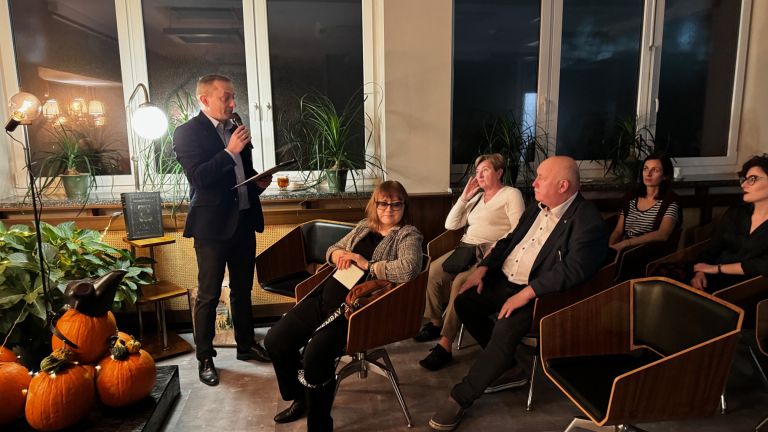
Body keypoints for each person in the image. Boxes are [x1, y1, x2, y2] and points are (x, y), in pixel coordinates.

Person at [429, 156, 608, 431]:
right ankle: (509, 366)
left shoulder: (587, 221)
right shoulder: (536, 208)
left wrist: (527, 293)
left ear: (563, 186)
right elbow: (508, 240)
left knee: (504, 326)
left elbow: (574, 270)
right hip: (506, 280)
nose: (534, 183)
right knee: (465, 303)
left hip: (541, 297)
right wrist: (483, 268)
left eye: (541, 178)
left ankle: (460, 397)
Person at [265, 180, 423, 432]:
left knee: (315, 355)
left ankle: (319, 424)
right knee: (276, 340)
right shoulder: (364, 226)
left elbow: (410, 269)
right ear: (375, 204)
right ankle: (301, 397)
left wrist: (367, 264)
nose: (389, 208)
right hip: (326, 297)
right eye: (383, 203)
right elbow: (333, 249)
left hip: (357, 312)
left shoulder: (407, 234)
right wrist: (337, 255)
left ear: (404, 206)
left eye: (396, 204)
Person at [174, 74, 272, 387]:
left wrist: (259, 182)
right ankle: (205, 357)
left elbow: (241, 175)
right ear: (204, 99)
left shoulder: (235, 127)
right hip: (212, 228)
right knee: (209, 294)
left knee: (243, 290)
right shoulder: (187, 133)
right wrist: (229, 151)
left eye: (233, 97)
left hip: (243, 221)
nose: (232, 103)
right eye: (225, 97)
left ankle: (246, 345)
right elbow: (199, 178)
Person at [415, 153, 525, 372]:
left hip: (489, 253)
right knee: (432, 272)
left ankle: (445, 344)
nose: (479, 175)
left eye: (485, 170)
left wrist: (496, 246)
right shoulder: (476, 198)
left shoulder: (511, 194)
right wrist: (464, 197)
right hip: (465, 249)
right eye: (477, 171)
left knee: (461, 284)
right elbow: (451, 224)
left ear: (499, 173)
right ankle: (436, 323)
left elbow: (518, 229)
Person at [690, 154, 768, 292]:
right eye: (744, 179)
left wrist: (718, 268)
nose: (743, 185)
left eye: (753, 179)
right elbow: (712, 248)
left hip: (746, 288)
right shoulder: (736, 212)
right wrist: (700, 272)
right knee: (661, 279)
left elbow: (763, 265)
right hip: (711, 275)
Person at [609, 153, 680, 252]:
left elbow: (663, 234)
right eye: (645, 169)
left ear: (665, 176)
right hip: (623, 250)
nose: (648, 174)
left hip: (649, 252)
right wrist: (611, 246)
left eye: (655, 170)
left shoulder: (670, 201)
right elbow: (618, 231)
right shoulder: (631, 197)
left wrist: (627, 243)